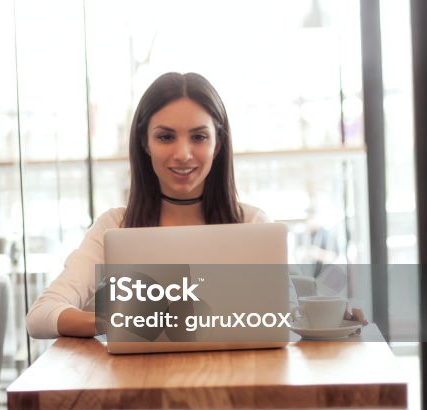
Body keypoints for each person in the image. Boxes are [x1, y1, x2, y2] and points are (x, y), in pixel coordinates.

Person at [26, 72, 366, 339]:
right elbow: (41, 316)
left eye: (199, 136)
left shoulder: (251, 223)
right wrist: (111, 322)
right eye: (166, 136)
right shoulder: (114, 226)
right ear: (145, 143)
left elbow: (285, 312)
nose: (183, 153)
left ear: (217, 144)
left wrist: (338, 316)